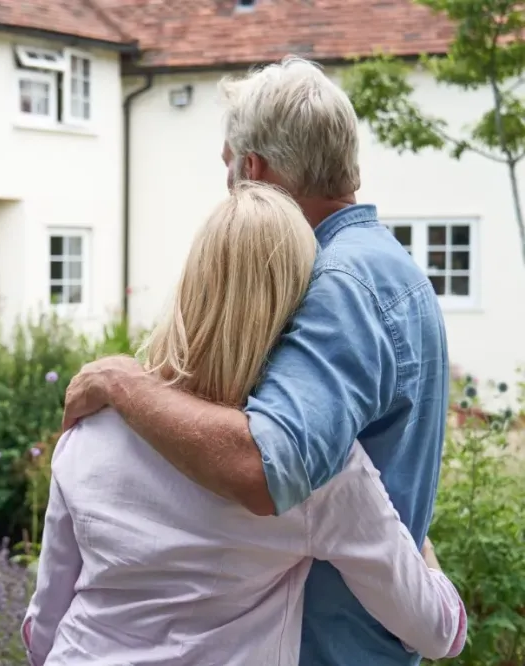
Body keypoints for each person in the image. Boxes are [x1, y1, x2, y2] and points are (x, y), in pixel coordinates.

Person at [59, 56, 451, 664]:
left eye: (228, 164)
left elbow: (268, 468)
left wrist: (123, 383)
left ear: (253, 169)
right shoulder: (384, 266)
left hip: (323, 649)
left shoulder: (338, 284)